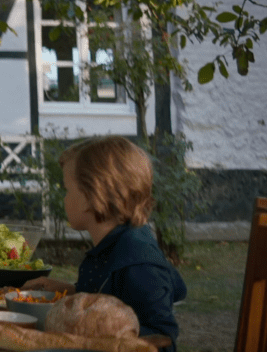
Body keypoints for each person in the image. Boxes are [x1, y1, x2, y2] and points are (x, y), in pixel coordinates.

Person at [22, 135, 186, 352]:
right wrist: (71, 292)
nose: (64, 199)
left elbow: (163, 341)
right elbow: (108, 299)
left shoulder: (138, 265)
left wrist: (100, 335)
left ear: (92, 196)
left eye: (68, 190)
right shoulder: (109, 248)